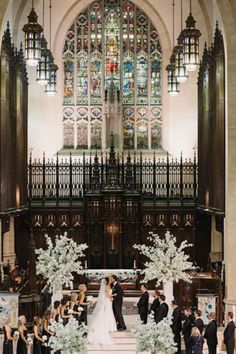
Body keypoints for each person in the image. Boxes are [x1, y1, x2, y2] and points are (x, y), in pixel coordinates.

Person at [88, 277, 116, 345]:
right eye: (109, 280)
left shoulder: (109, 285)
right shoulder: (106, 286)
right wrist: (113, 295)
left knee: (109, 313)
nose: (111, 280)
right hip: (106, 301)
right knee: (107, 313)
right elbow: (106, 295)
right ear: (107, 281)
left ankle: (109, 326)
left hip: (108, 301)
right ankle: (107, 325)